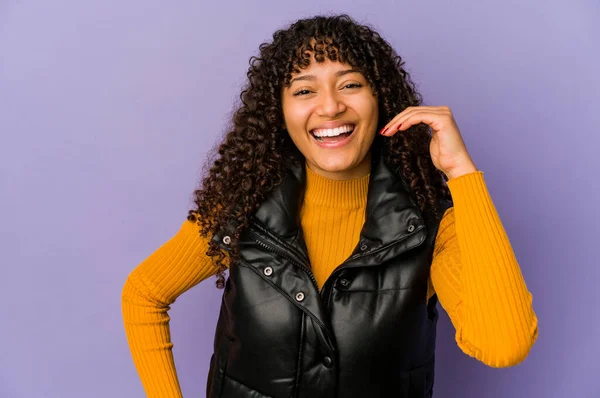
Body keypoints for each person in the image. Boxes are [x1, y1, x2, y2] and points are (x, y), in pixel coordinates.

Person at [121, 14, 538, 398]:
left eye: (350, 84)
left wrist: (462, 174)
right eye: (304, 90)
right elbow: (144, 293)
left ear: (382, 100)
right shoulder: (240, 206)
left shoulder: (429, 222)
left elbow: (506, 343)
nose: (330, 106)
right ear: (279, 113)